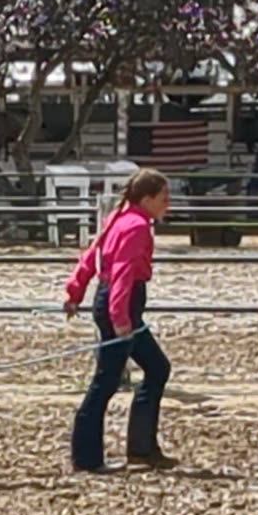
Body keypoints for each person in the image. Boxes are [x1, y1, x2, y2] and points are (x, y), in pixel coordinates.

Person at [62, 168, 177, 473]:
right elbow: (123, 274)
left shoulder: (118, 218)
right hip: (121, 304)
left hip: (116, 302)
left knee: (156, 368)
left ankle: (141, 450)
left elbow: (90, 257)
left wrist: (75, 292)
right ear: (148, 198)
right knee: (106, 382)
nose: (168, 204)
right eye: (164, 198)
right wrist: (120, 319)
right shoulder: (136, 226)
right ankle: (88, 458)